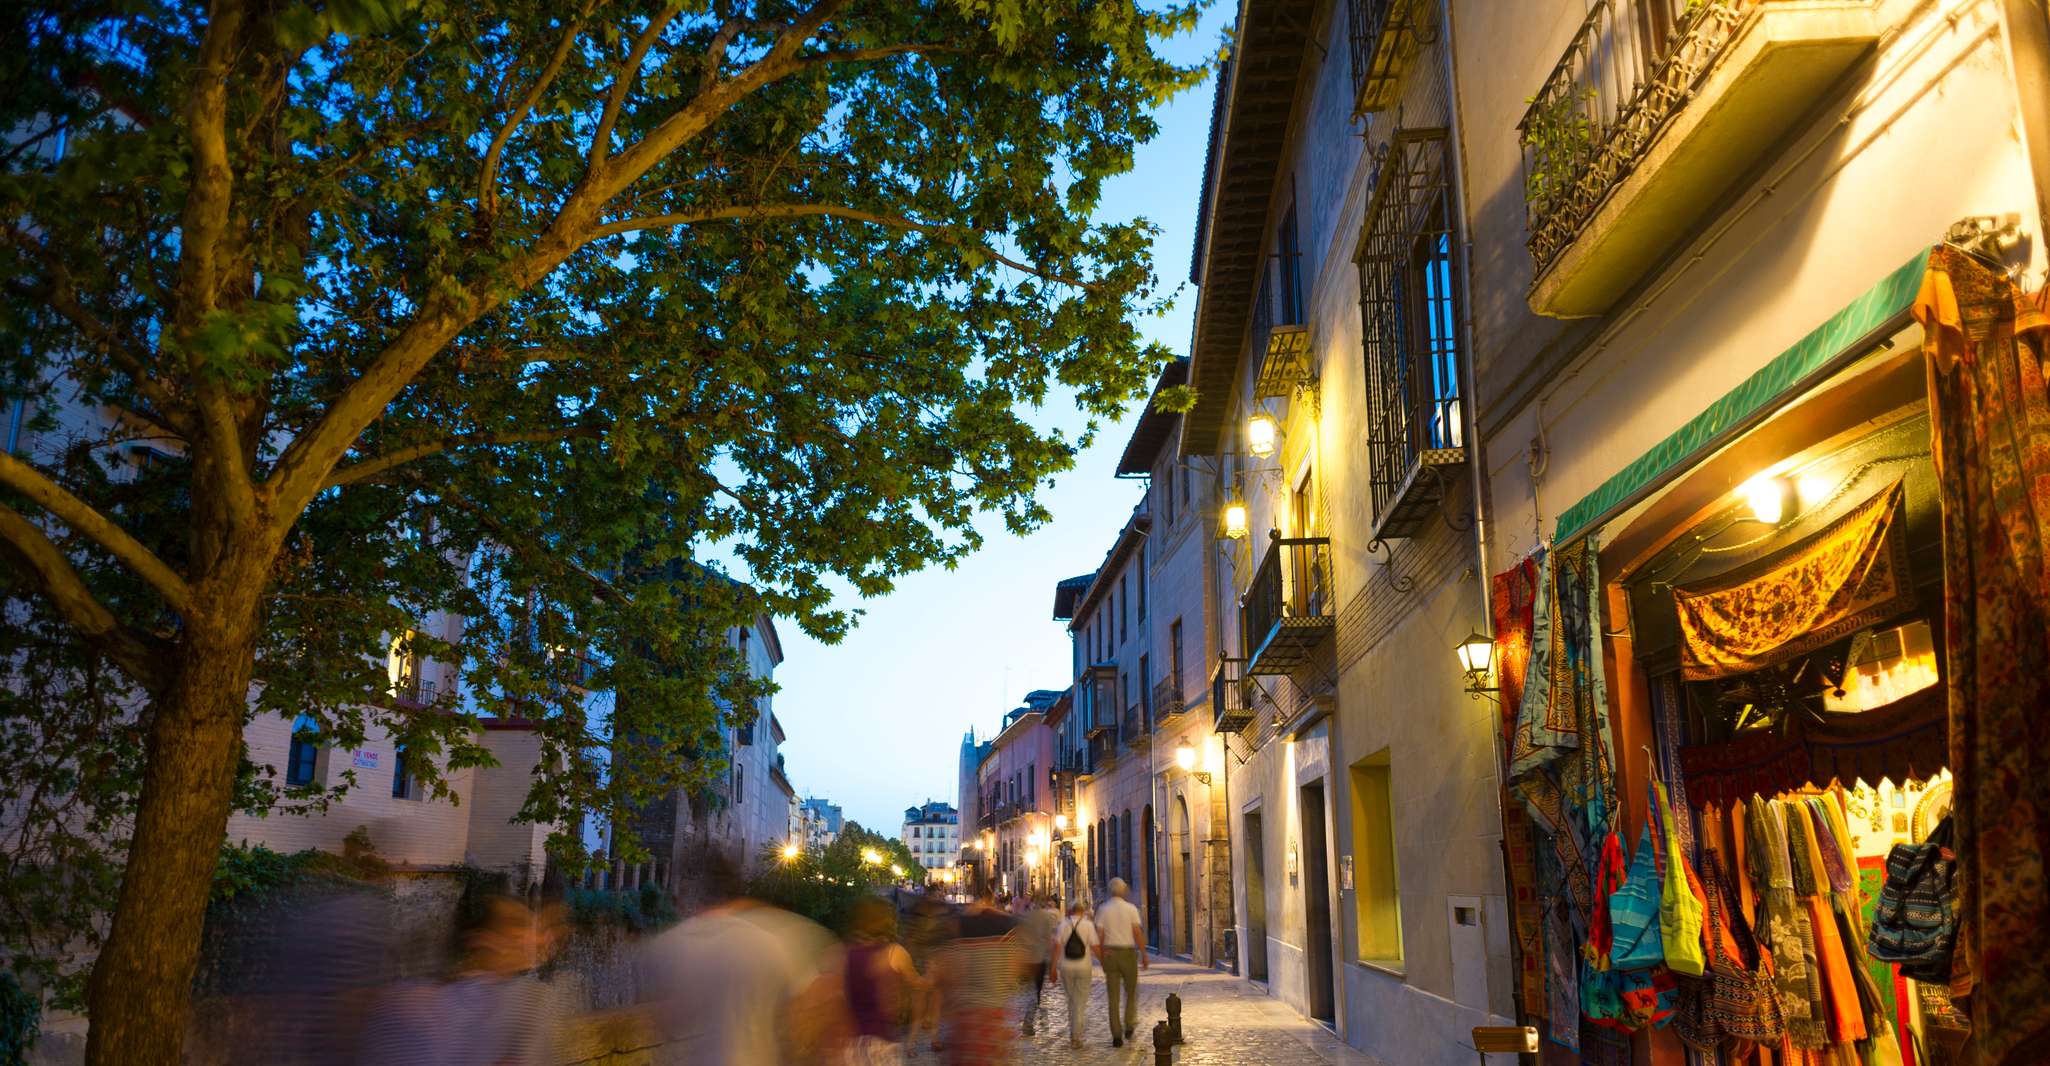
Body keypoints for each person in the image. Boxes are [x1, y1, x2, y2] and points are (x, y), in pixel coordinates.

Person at [641, 854, 845, 1065]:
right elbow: (816, 1001)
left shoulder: (668, 945)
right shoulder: (772, 941)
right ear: (738, 891)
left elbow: (670, 1021)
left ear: (685, 894)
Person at [357, 895, 570, 1066]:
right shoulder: (414, 1008)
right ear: (482, 939)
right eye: (516, 930)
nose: (531, 939)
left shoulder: (524, 1001)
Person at [932, 889, 1025, 1064]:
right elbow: (1014, 973)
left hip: (963, 1024)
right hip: (993, 1021)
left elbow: (946, 977)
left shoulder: (957, 938)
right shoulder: (1004, 935)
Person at [841, 896, 928, 1066]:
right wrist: (933, 977)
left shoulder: (846, 953)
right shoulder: (894, 953)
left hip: (851, 1045)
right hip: (881, 1044)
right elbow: (918, 984)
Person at [1094, 877, 1147, 1047]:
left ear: (1111, 891)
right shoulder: (1131, 909)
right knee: (1131, 991)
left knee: (1113, 996)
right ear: (1123, 891)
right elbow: (1137, 932)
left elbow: (1099, 935)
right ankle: (1129, 1024)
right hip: (1127, 952)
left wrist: (1102, 956)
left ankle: (1116, 1034)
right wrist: (1144, 953)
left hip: (1110, 953)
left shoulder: (1103, 909)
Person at [1049, 900, 1101, 1049]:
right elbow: (1095, 947)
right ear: (1083, 911)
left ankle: (1074, 1035)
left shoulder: (1063, 925)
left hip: (1066, 967)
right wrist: (1104, 962)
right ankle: (1076, 1036)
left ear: (1070, 911)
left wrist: (1053, 968)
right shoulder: (1088, 925)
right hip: (1084, 967)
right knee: (1080, 1001)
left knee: (1071, 1000)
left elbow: (1057, 947)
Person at [1013, 896, 1059, 1036]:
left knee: (1028, 990)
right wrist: (1052, 963)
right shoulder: (1045, 918)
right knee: (1036, 991)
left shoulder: (1025, 918)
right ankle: (1028, 1020)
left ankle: (1027, 1018)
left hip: (1026, 959)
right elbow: (1049, 939)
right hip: (1039, 959)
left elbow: (1017, 939)